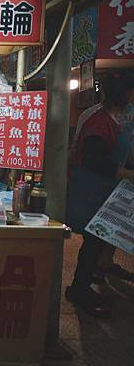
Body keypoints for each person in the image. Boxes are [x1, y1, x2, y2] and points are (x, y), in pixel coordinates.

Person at [66, 71, 134, 318]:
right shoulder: (98, 122)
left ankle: (81, 287)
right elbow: (92, 159)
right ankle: (79, 289)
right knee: (93, 240)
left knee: (95, 241)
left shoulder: (113, 118)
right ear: (124, 93)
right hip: (90, 189)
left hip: (104, 189)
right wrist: (125, 173)